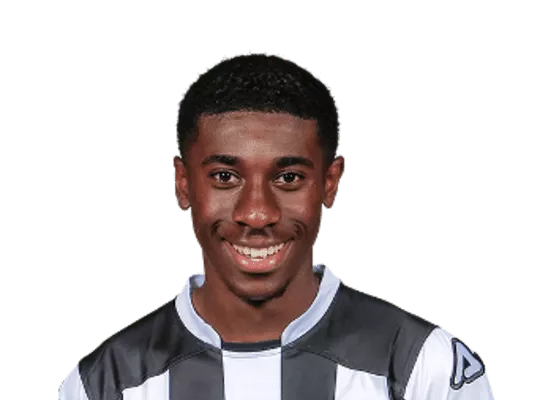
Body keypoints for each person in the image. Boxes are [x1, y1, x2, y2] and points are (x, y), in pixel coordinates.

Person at [58, 53, 495, 400]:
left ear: (329, 183)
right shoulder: (106, 384)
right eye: (225, 177)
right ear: (184, 184)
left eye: (288, 178)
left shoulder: (420, 366)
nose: (256, 214)